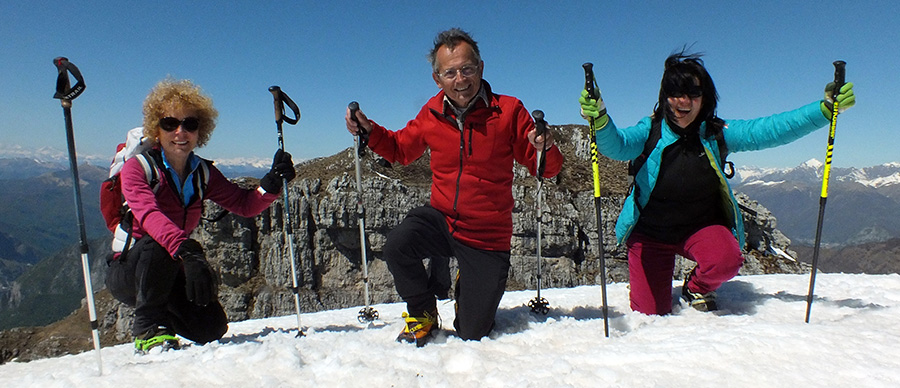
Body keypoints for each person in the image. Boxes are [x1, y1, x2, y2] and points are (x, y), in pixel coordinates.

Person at [578, 51, 855, 315]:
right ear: (665, 97)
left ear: (704, 97)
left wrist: (824, 110)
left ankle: (696, 288)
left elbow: (769, 130)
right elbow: (617, 146)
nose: (683, 101)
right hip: (650, 234)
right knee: (650, 314)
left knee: (726, 260)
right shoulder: (649, 130)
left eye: (693, 93)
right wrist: (600, 119)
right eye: (675, 92)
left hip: (700, 227)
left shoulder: (716, 133)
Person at [345, 28, 563, 345]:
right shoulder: (432, 112)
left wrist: (544, 148)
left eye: (467, 69)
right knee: (398, 244)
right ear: (438, 79)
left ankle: (467, 279)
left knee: (472, 332)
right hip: (443, 219)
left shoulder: (509, 111)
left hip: (487, 235)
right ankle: (423, 313)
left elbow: (546, 168)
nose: (460, 80)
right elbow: (400, 149)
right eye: (450, 72)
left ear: (481, 68)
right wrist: (369, 131)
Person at [106, 78, 296, 352]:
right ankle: (149, 330)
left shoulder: (203, 173)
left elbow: (243, 204)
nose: (180, 132)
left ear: (200, 131)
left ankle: (165, 319)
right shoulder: (138, 168)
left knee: (211, 327)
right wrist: (188, 251)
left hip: (168, 269)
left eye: (190, 124)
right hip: (129, 270)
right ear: (156, 129)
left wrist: (272, 183)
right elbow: (149, 215)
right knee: (157, 243)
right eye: (170, 123)